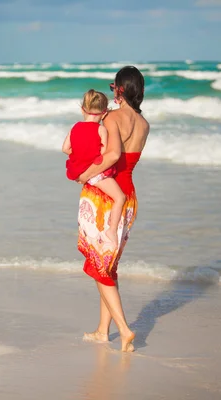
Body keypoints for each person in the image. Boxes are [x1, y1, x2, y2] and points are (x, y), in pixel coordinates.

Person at [76, 66, 150, 352]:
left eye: (113, 88)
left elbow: (112, 156)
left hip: (106, 196)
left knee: (100, 267)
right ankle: (102, 331)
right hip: (129, 197)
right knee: (108, 265)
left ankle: (124, 329)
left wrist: (85, 173)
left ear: (118, 90)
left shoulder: (112, 118)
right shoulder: (144, 125)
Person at [63, 89, 126, 246]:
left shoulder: (75, 127)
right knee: (120, 198)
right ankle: (111, 231)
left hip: (76, 170)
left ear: (82, 109)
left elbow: (65, 149)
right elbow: (104, 153)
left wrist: (79, 154)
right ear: (104, 112)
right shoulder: (101, 129)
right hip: (94, 174)